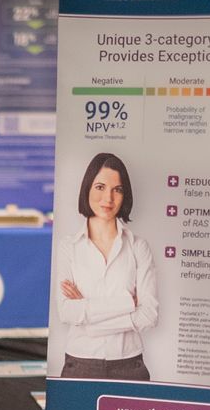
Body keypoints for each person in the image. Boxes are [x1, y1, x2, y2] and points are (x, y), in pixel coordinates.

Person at [56, 151, 159, 381]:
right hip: (79, 364)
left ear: (125, 195)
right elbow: (66, 311)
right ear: (87, 189)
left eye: (117, 190)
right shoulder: (68, 247)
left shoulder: (138, 247)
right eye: (100, 187)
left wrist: (89, 318)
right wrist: (124, 303)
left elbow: (149, 315)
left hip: (129, 366)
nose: (108, 199)